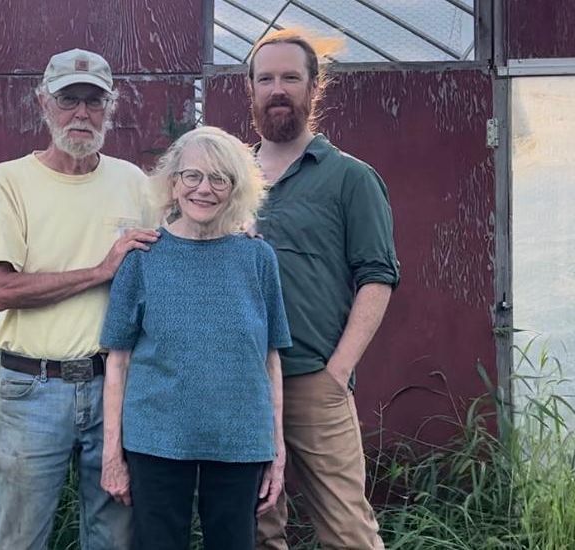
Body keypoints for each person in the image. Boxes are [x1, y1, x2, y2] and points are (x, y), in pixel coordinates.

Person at [0, 48, 159, 550]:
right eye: (68, 100)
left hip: (114, 388)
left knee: (113, 539)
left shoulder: (133, 183)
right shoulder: (10, 181)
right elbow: (0, 290)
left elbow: (174, 252)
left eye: (94, 101)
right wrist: (101, 271)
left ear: (110, 107)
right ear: (43, 103)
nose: (81, 114)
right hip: (32, 388)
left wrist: (237, 232)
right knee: (18, 540)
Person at [100, 126, 292, 550]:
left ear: (235, 189)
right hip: (156, 441)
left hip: (239, 442)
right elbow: (118, 361)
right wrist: (112, 455)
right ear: (173, 183)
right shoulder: (143, 258)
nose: (204, 189)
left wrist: (276, 450)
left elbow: (270, 360)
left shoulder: (258, 258)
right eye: (192, 176)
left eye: (219, 178)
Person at [248, 29, 401, 550]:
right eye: (266, 79)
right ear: (251, 90)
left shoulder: (349, 178)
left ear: (314, 88)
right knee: (256, 527)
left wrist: (338, 372)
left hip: (314, 380)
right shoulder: (227, 179)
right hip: (241, 383)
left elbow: (377, 278)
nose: (278, 89)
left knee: (347, 530)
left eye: (291, 78)